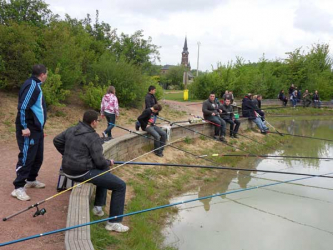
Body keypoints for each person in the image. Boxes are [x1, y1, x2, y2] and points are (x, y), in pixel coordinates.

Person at [53, 110, 129, 232]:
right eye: (98, 121)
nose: (98, 123)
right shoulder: (93, 137)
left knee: (104, 170)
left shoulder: (72, 129)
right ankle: (113, 222)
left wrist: (68, 155)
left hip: (67, 169)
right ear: (93, 122)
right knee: (120, 185)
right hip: (81, 173)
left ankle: (98, 207)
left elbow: (57, 140)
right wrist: (109, 162)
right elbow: (99, 162)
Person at [11, 64, 48, 201]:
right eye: (47, 74)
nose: (47, 76)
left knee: (38, 156)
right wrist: (25, 127)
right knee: (27, 157)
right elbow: (22, 108)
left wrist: (40, 127)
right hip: (29, 129)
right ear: (42, 74)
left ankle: (31, 179)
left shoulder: (36, 85)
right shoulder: (32, 85)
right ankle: (18, 187)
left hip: (37, 129)